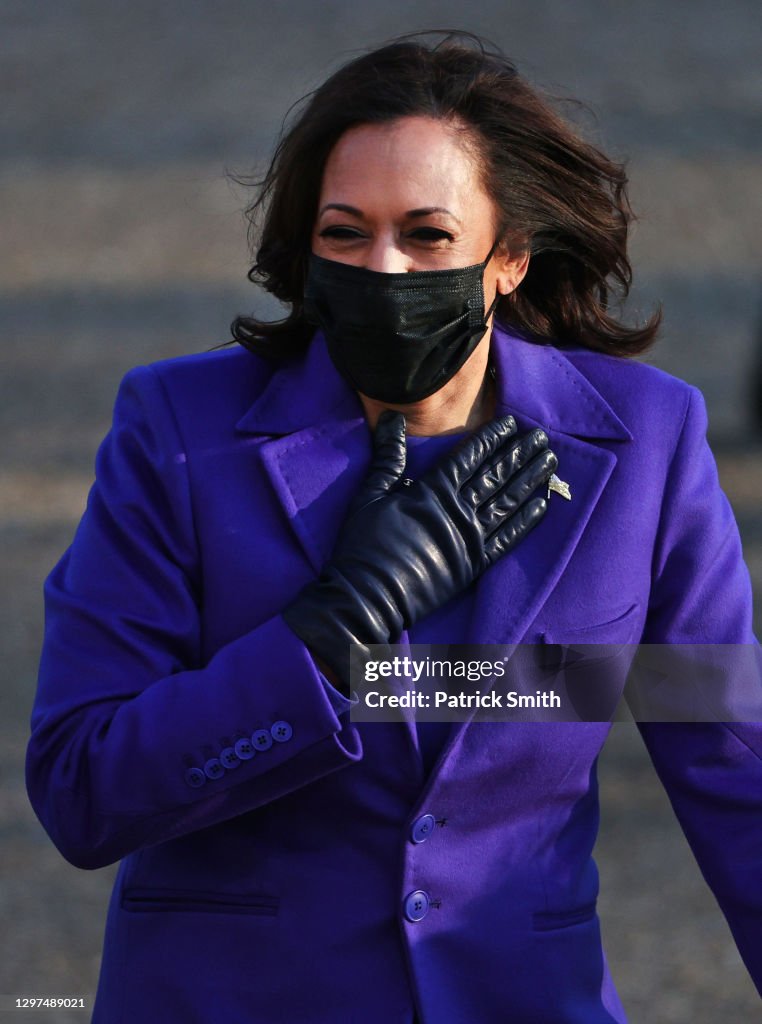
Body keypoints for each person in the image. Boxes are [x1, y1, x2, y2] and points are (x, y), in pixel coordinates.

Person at [26, 30, 761, 1023]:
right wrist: (327, 637)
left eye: (427, 235)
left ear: (508, 256)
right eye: (344, 233)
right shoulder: (177, 435)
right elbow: (83, 788)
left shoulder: (645, 450)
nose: (384, 266)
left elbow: (732, 765)